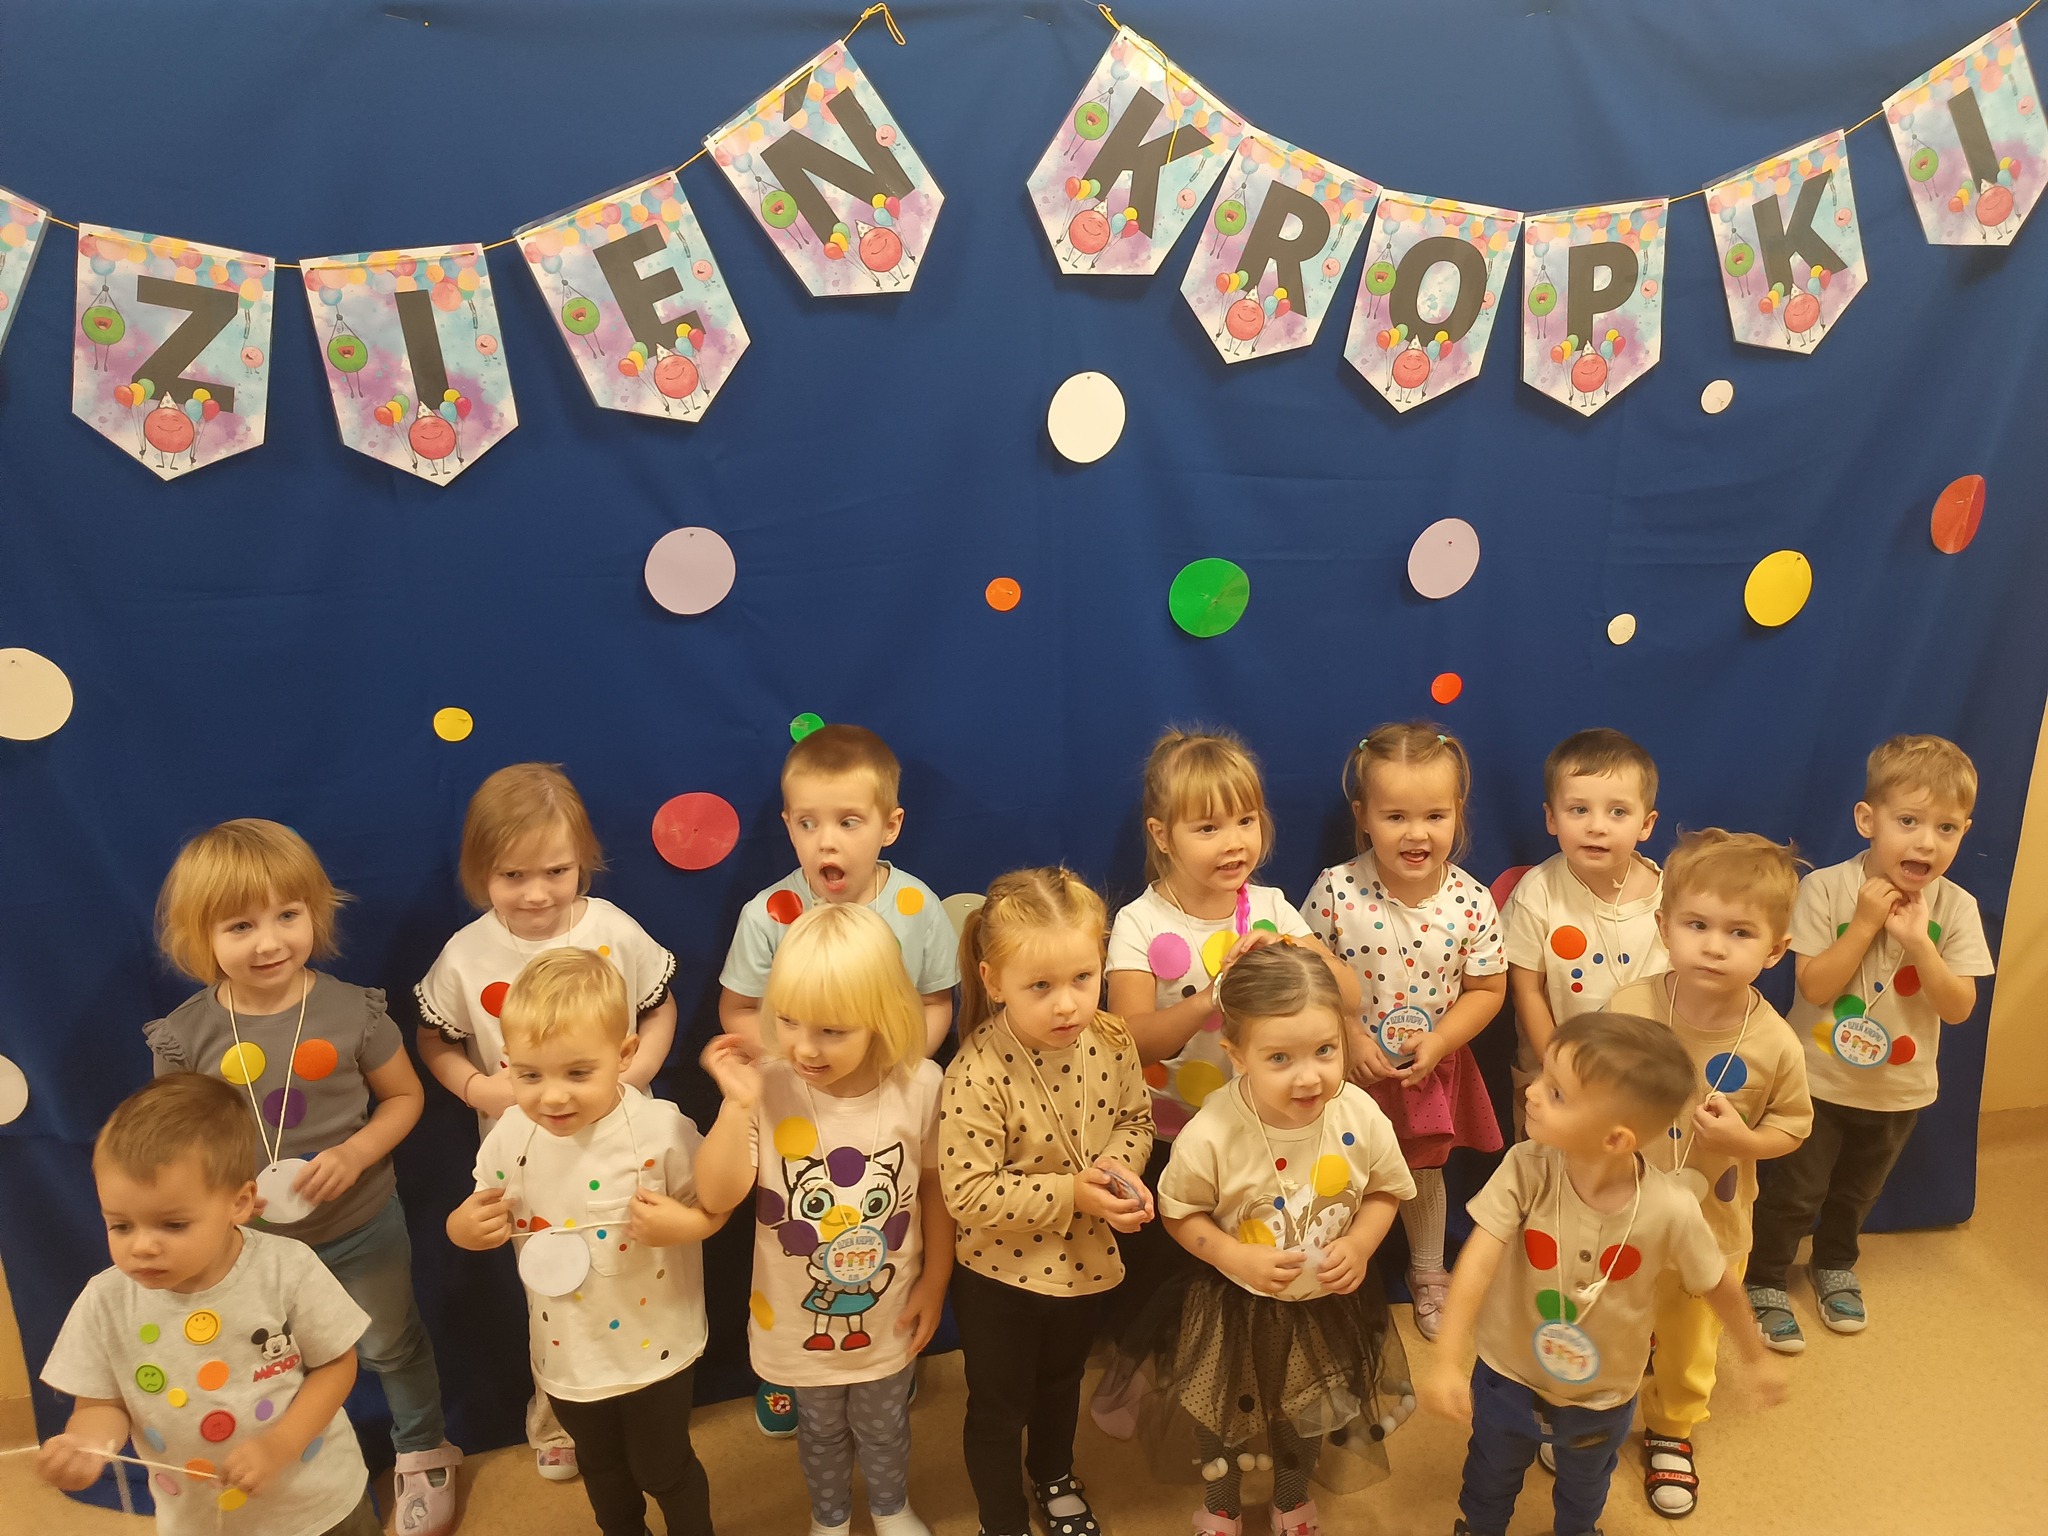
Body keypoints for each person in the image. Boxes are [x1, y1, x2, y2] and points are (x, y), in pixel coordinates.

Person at [146, 818, 459, 1532]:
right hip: (249, 1250)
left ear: (315, 913)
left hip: (360, 1226)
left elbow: (404, 1098)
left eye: (287, 915)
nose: (269, 942)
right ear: (201, 936)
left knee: (389, 1343)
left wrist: (354, 1154)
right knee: (266, 1363)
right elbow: (175, 1144)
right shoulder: (185, 1036)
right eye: (240, 926)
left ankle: (423, 1449)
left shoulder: (353, 1012)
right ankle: (290, 1459)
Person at [1420, 1014, 1786, 1536]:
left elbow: (1719, 1284)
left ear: (1615, 1139)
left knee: (1585, 1486)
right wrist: (1446, 1360)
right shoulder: (1526, 1168)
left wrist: (1756, 1356)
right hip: (1508, 1371)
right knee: (1489, 1472)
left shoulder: (1670, 1208)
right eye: (1542, 1077)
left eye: (1557, 1093)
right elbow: (1477, 1261)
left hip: (1602, 1393)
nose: (1532, 1094)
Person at [416, 761, 676, 1480]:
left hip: (623, 1146)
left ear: (583, 860)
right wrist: (476, 1087)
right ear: (480, 872)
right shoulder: (467, 954)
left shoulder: (611, 929)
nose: (536, 893)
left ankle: (649, 1401)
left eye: (556, 871)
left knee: (636, 1270)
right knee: (554, 1288)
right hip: (530, 1164)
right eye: (512, 876)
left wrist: (634, 1074)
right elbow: (434, 1038)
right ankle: (556, 1414)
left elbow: (658, 1007)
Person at [1100, 729, 1357, 1435]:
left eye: (1245, 820)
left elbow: (1351, 995)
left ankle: (1251, 1384)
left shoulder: (1272, 906)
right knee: (1165, 1275)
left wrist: (1298, 950)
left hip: (1263, 1137)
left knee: (1250, 1272)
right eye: (1208, 827)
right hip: (1170, 1136)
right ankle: (1147, 1375)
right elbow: (1130, 1038)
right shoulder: (1140, 921)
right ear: (1162, 834)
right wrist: (1211, 997)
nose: (1233, 842)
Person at [715, 725, 959, 1437]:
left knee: (882, 1224)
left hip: (887, 1106)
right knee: (794, 1231)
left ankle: (884, 1350)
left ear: (890, 826)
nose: (828, 843)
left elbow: (936, 1000)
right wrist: (787, 1063)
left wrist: (897, 1067)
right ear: (787, 824)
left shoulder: (916, 908)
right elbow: (738, 1007)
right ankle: (788, 1366)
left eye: (849, 822)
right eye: (808, 823)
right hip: (797, 1110)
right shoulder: (767, 915)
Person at [1138, 943, 1414, 1536]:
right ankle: (1221, 1505)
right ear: (1237, 1055)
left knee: (1307, 1410)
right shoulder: (1211, 1131)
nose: (1309, 1075)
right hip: (1232, 1303)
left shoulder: (1360, 1115)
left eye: (1325, 1050)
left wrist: (1362, 1245)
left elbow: (1385, 1191)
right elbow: (1179, 1213)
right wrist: (1234, 1255)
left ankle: (1291, 1498)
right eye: (1280, 1058)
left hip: (1323, 1305)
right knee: (1219, 1413)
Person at [446, 949, 723, 1536]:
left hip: (658, 1348)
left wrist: (692, 1225)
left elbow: (716, 1202)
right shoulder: (510, 1136)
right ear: (506, 1063)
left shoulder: (660, 1129)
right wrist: (462, 1229)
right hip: (566, 1353)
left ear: (624, 1055)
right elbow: (475, 1211)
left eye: (577, 1073)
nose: (552, 1097)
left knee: (665, 1467)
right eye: (529, 1075)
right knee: (600, 1466)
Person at [696, 903, 950, 1536]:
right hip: (794, 1319)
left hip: (888, 1313)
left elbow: (934, 1189)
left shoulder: (921, 1085)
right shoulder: (767, 1085)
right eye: (787, 1020)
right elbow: (717, 1194)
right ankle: (829, 1518)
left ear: (882, 1018)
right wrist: (736, 1105)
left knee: (885, 1424)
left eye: (832, 1030)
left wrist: (936, 1280)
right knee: (819, 1428)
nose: (804, 1047)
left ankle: (891, 1508)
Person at [39, 1074, 381, 1536]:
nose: (142, 1246)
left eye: (173, 1225)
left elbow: (337, 1365)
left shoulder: (286, 1268)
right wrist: (87, 1443)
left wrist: (279, 1446)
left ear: (239, 1203)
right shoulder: (105, 1301)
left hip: (320, 1509)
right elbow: (101, 1405)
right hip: (201, 1523)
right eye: (120, 1226)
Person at [1748, 735, 1994, 1349]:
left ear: (1963, 833)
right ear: (1867, 820)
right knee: (1794, 1191)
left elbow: (1959, 1008)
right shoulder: (1826, 888)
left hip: (1898, 1090)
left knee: (1858, 1192)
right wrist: (1863, 925)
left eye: (1946, 828)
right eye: (1908, 821)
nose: (1926, 842)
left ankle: (1835, 1264)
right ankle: (1765, 1277)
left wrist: (1920, 944)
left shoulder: (1957, 908)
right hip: (1815, 1081)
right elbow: (1813, 986)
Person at [944, 867, 1155, 1536]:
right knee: (999, 1407)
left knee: (1062, 1383)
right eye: (1041, 986)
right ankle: (1002, 1518)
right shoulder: (976, 1072)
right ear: (993, 981)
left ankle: (1054, 1475)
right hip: (999, 1279)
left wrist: (1118, 1171)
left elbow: (1136, 1120)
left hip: (1082, 1265)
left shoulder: (1112, 1041)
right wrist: (1073, 1193)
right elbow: (966, 1192)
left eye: (1083, 978)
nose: (1067, 1005)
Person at [1609, 829, 1812, 1517]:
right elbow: (1589, 1093)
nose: (1715, 946)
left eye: (1739, 932)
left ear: (1776, 949)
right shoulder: (1630, 1007)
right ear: (1664, 926)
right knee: (1614, 1318)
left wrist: (1744, 1140)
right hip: (1622, 1218)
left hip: (1711, 1225)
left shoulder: (1775, 1042)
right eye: (1697, 925)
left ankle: (1672, 1428)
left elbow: (1795, 1127)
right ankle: (1596, 1408)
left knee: (1691, 1338)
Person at [1301, 724, 1506, 1341]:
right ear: (1363, 816)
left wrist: (1439, 1043)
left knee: (1423, 1173)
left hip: (1427, 1069)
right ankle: (1328, 1267)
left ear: (1458, 812)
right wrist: (1348, 1035)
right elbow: (1305, 975)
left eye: (1434, 816)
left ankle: (1428, 1270)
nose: (1417, 834)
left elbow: (1487, 990)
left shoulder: (1472, 901)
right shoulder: (1336, 890)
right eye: (1395, 816)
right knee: (1333, 1166)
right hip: (1345, 1067)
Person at [1503, 729, 1668, 1136]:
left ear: (1646, 824)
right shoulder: (1538, 893)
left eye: (1618, 812)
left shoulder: (1672, 898)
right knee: (1545, 1166)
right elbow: (1526, 989)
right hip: (1552, 1078)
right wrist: (1559, 1069)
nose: (1597, 827)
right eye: (1579, 810)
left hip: (1642, 1080)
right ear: (1551, 818)